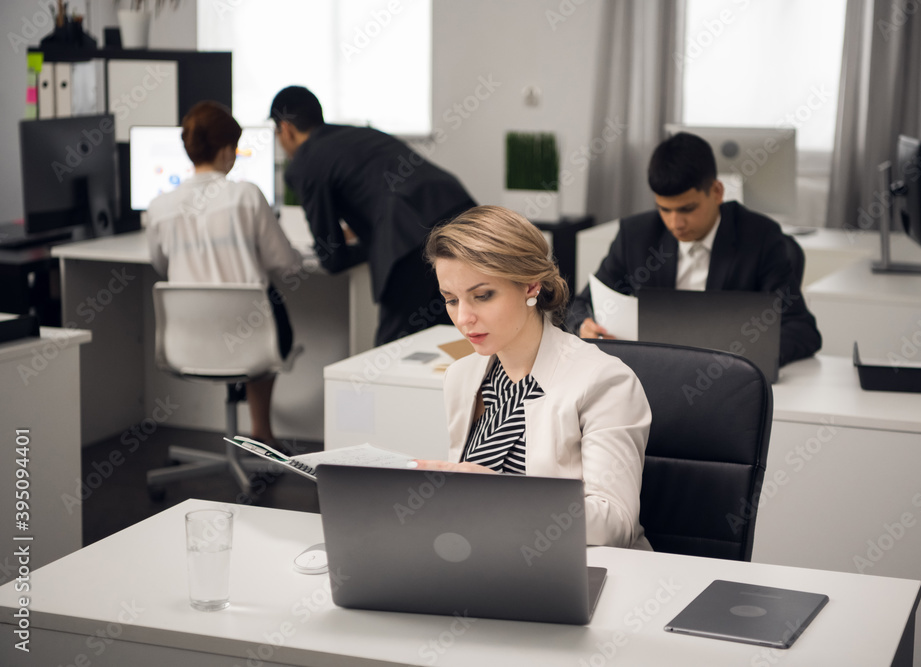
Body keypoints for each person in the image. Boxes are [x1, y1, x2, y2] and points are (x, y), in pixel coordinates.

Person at [410, 205, 652, 549]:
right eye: (451, 300)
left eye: (482, 296)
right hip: (488, 558)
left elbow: (615, 525)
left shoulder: (605, 381)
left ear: (530, 286)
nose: (463, 318)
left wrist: (503, 493)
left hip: (576, 567)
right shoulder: (462, 377)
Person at [565, 132, 822, 367]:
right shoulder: (636, 236)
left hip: (728, 378)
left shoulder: (761, 238)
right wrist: (583, 326)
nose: (675, 223)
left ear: (717, 192)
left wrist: (747, 356)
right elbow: (581, 305)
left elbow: (802, 330)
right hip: (653, 374)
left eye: (687, 209)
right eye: (665, 209)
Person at [147, 101, 302, 451]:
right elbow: (284, 262)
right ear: (226, 150)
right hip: (251, 340)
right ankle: (261, 432)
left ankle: (258, 433)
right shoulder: (246, 195)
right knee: (265, 306)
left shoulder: (159, 207)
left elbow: (160, 265)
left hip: (188, 344)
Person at [270, 86, 478, 346]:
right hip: (458, 209)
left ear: (286, 129)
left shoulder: (305, 162)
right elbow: (378, 187)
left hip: (407, 234)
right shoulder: (358, 134)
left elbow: (332, 258)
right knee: (459, 335)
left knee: (394, 349)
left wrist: (369, 249)